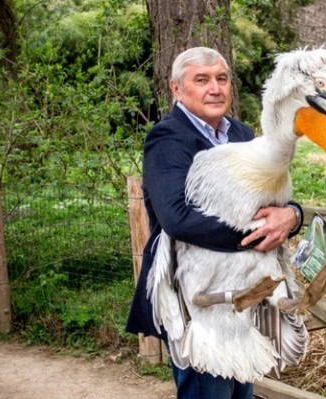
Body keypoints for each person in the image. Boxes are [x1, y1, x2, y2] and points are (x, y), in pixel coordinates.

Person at [125, 47, 304, 399]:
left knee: (242, 391)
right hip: (196, 300)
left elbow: (271, 198)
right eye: (202, 80)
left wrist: (292, 215)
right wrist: (257, 235)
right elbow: (176, 218)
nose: (215, 88)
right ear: (177, 89)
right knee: (210, 392)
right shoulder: (167, 139)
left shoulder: (241, 132)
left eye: (221, 79)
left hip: (241, 296)